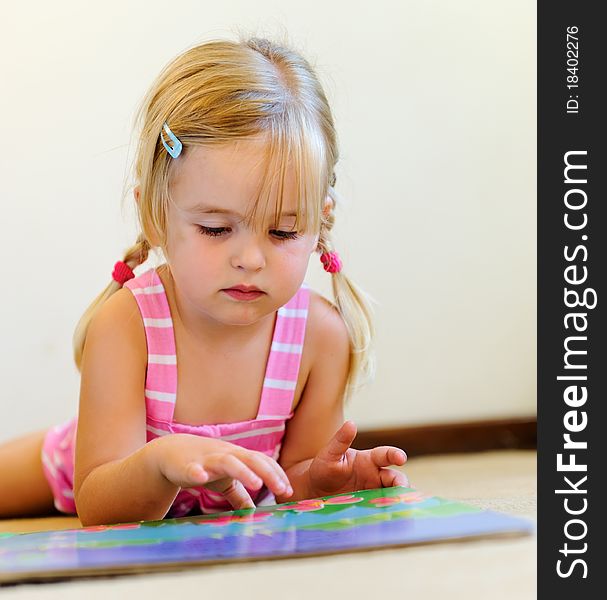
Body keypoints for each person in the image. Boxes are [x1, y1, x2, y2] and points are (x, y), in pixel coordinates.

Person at [0, 36, 408, 526]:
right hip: (80, 465)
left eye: (282, 231)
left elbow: (286, 482)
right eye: (216, 229)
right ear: (156, 216)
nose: (251, 258)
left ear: (320, 224)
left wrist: (319, 480)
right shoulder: (128, 324)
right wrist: (161, 463)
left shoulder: (319, 336)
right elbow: (99, 505)